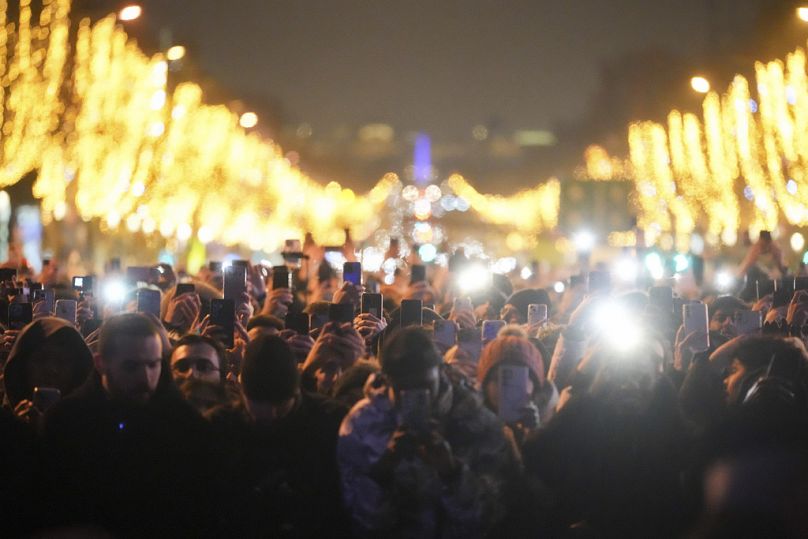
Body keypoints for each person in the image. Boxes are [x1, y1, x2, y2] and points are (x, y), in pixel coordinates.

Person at [40, 313, 218, 536]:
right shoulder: (66, 422)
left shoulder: (184, 424)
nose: (145, 378)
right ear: (100, 364)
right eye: (131, 366)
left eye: (153, 365)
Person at [338, 326, 513, 538]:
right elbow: (360, 519)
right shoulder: (363, 423)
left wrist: (452, 473)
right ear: (387, 380)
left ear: (441, 372)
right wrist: (385, 469)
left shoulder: (475, 419)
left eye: (425, 386)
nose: (417, 396)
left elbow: (490, 517)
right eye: (403, 389)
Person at [213, 334, 350, 537]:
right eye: (259, 405)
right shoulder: (221, 427)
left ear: (296, 393)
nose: (271, 414)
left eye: (280, 405)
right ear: (242, 392)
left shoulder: (332, 421)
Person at [2, 317, 94, 421]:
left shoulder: (92, 422)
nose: (52, 370)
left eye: (62, 362)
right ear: (22, 365)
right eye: (41, 360)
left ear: (77, 369)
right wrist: (14, 426)